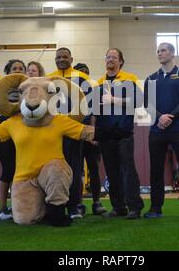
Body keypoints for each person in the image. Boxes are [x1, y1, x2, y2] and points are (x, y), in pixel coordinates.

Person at [143, 43, 179, 219]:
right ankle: (155, 207)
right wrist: (160, 117)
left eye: (163, 50)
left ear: (172, 53)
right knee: (156, 170)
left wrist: (170, 117)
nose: (160, 53)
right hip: (156, 130)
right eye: (158, 51)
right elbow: (147, 104)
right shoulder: (151, 78)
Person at [91, 48, 144, 219]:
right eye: (108, 57)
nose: (110, 59)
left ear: (121, 61)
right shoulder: (99, 83)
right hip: (105, 135)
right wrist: (93, 133)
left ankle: (134, 207)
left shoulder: (130, 79)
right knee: (112, 172)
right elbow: (94, 111)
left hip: (124, 134)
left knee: (129, 171)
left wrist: (114, 100)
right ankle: (118, 207)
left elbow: (138, 101)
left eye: (114, 57)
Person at [0, 59, 46, 220]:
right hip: (7, 133)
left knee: (22, 171)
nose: (18, 70)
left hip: (25, 135)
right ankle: (2, 208)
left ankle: (18, 205)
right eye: (14, 68)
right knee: (8, 170)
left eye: (21, 68)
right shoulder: (2, 88)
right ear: (8, 71)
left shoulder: (28, 89)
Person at [48, 48, 92, 219]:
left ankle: (75, 206)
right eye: (58, 57)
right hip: (52, 133)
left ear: (71, 59)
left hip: (74, 131)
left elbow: (90, 105)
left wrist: (85, 129)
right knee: (54, 169)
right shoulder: (49, 78)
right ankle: (55, 205)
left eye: (65, 56)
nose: (61, 59)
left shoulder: (82, 78)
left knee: (74, 168)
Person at [74, 63, 108, 215]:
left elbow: (96, 112)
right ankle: (78, 203)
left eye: (86, 72)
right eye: (80, 73)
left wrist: (93, 133)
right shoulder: (71, 91)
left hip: (91, 134)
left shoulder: (94, 90)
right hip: (75, 134)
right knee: (77, 171)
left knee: (94, 168)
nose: (84, 75)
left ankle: (96, 202)